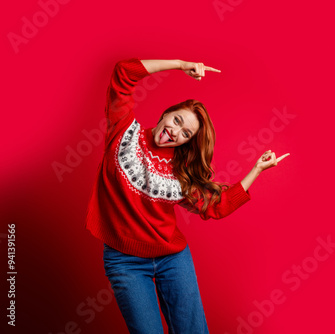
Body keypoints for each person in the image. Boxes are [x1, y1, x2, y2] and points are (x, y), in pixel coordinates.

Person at [84, 57, 290, 333]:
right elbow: (124, 73)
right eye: (177, 120)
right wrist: (181, 64)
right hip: (125, 260)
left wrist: (257, 169)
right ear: (166, 113)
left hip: (173, 259)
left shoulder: (181, 173)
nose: (175, 132)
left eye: (185, 134)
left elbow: (218, 206)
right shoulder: (123, 132)